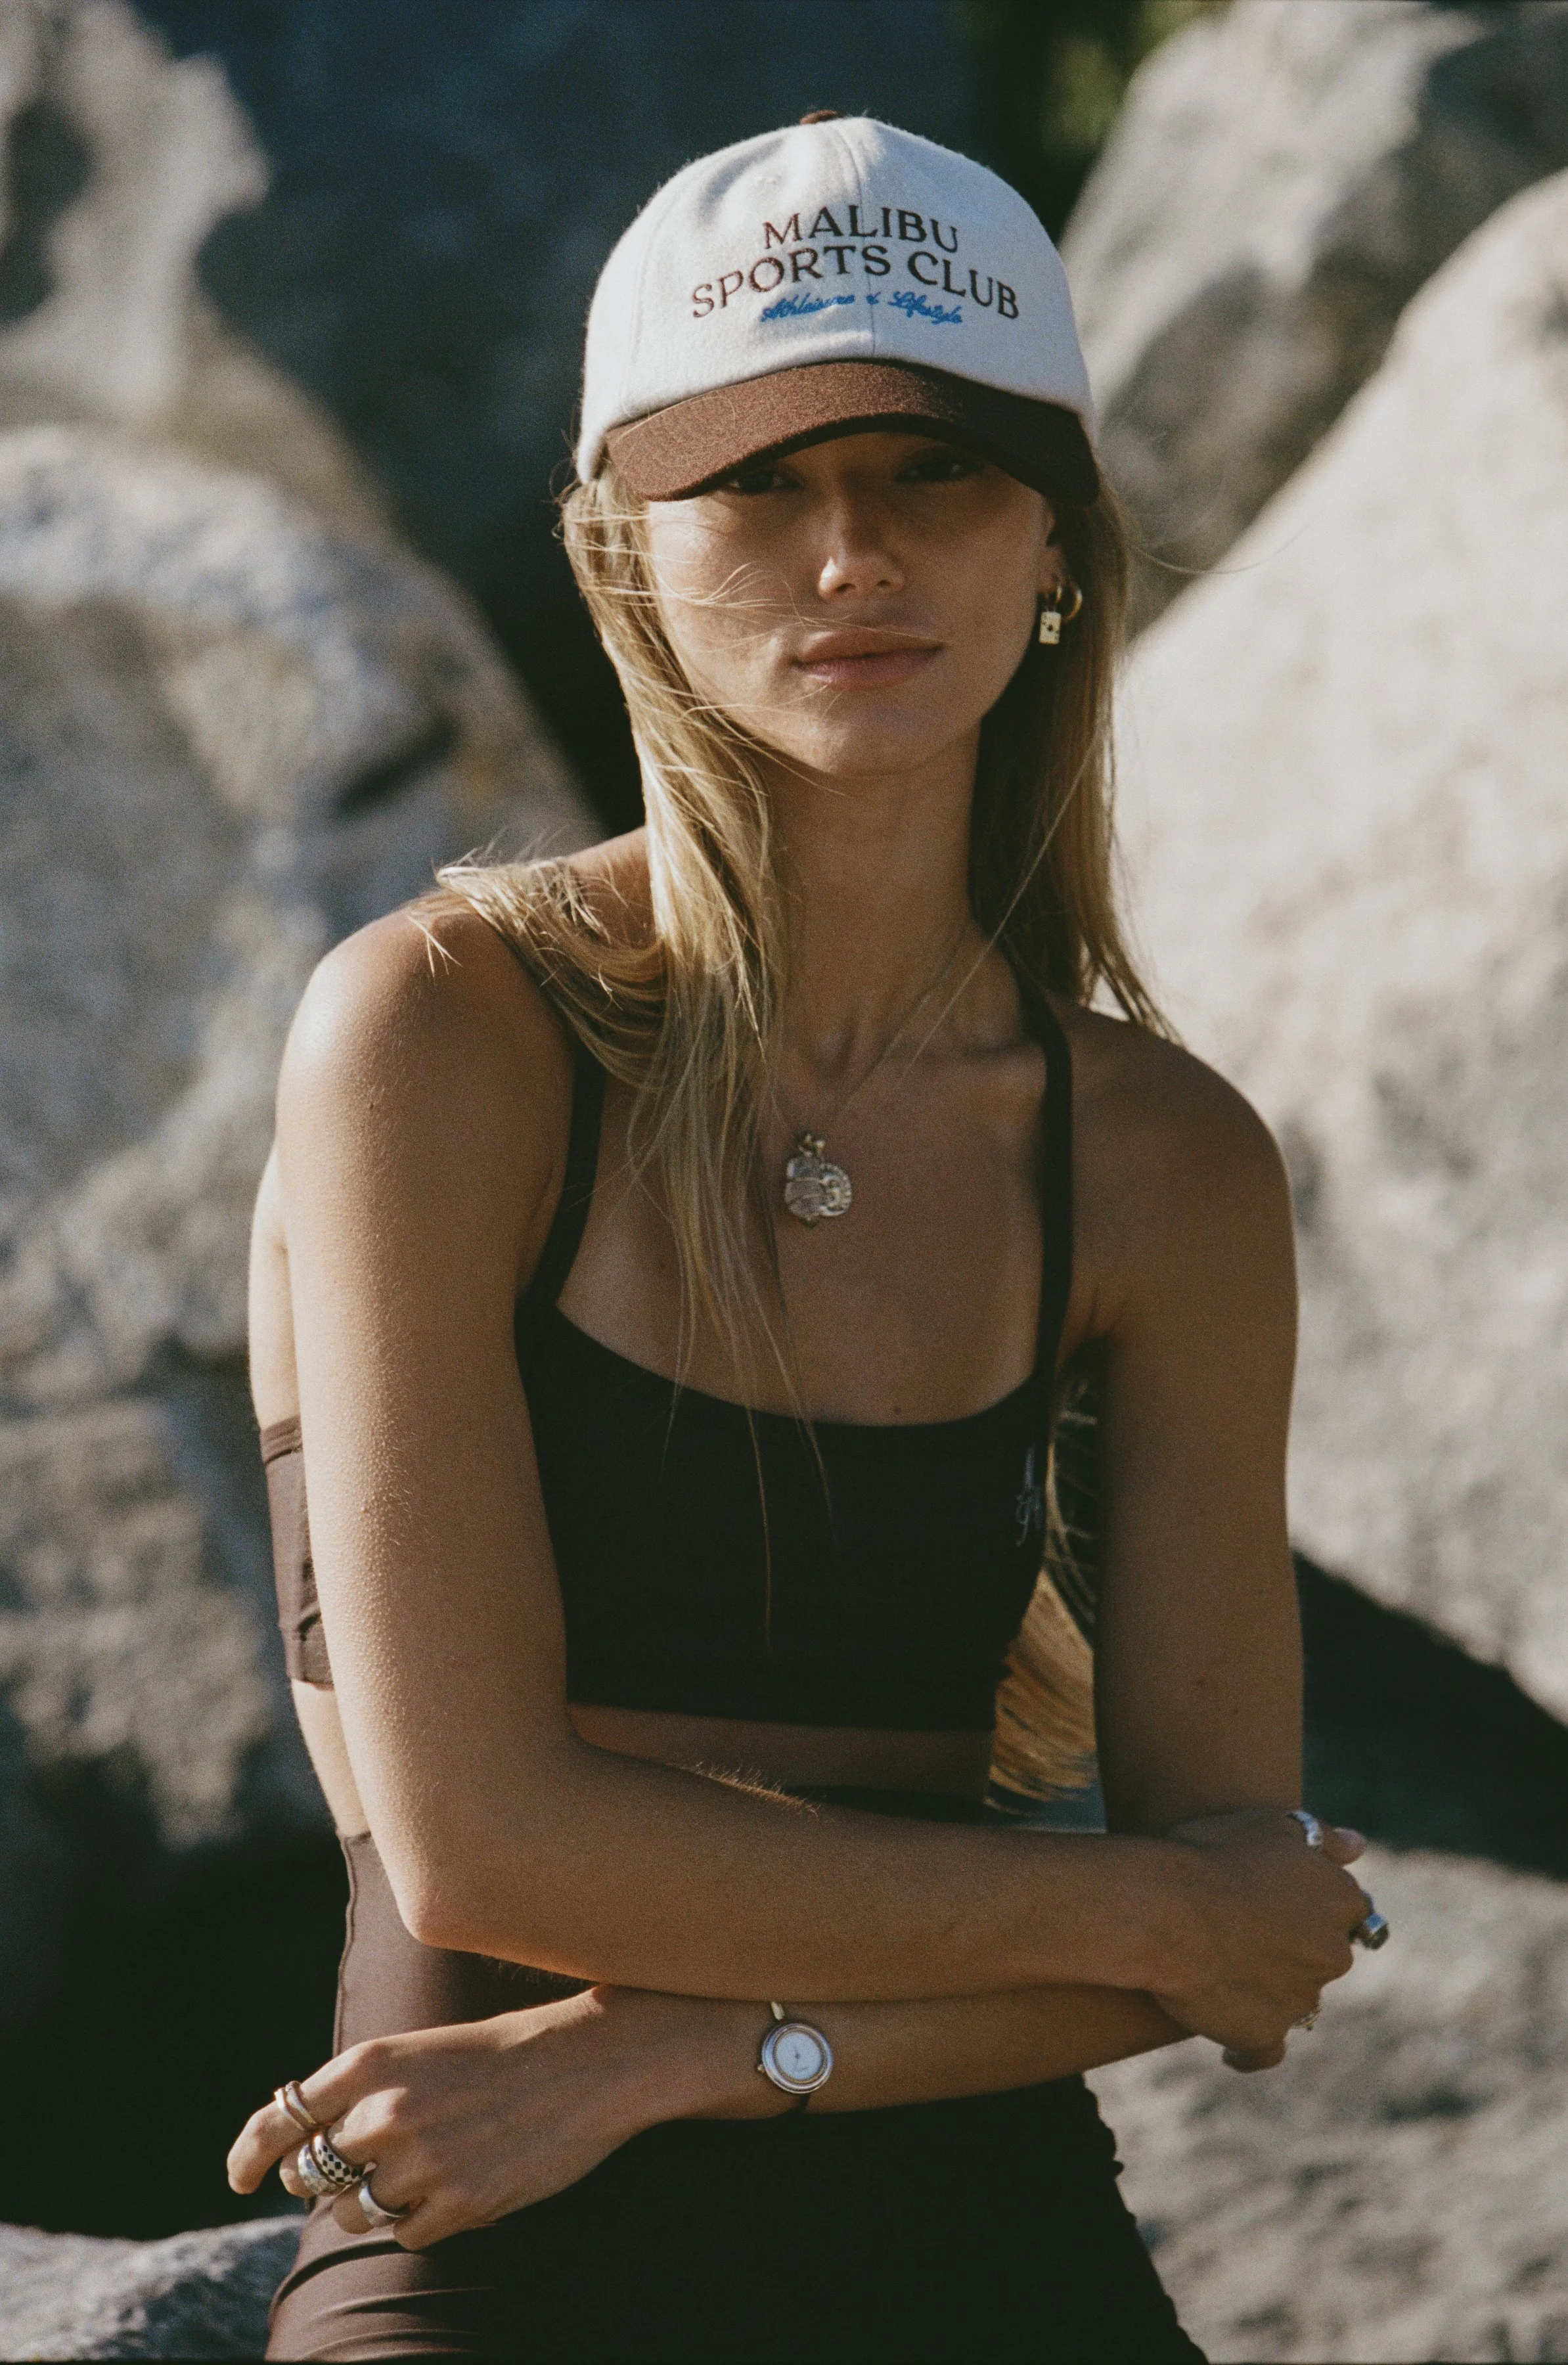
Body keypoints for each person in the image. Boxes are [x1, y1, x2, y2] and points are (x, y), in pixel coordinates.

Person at [227, 114, 1383, 2364]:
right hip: (477, 2203)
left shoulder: (1161, 1166)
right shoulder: (442, 1036)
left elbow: (1226, 1959)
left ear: (1055, 541)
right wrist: (1146, 1904)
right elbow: (482, 1845)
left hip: (947, 2184)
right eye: (759, 483)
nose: (853, 552)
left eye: (933, 471)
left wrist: (670, 2052)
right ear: (621, 556)